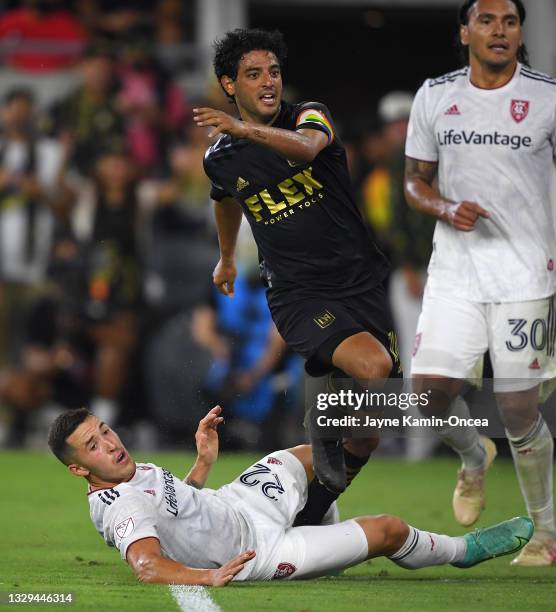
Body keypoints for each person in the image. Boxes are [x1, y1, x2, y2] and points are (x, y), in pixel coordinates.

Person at [195, 28, 400, 519]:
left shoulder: (310, 115)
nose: (268, 82)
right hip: (299, 293)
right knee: (374, 366)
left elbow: (307, 149)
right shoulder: (219, 158)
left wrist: (242, 129)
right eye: (253, 74)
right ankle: (320, 414)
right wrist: (226, 256)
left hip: (362, 282)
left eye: (274, 72)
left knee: (370, 432)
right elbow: (226, 199)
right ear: (229, 84)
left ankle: (310, 517)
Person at [47, 405, 533, 585]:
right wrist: (210, 577)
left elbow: (175, 512)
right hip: (258, 551)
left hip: (239, 502)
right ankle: (462, 552)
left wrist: (202, 465)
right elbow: (147, 563)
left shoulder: (131, 472)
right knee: (388, 529)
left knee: (309, 453)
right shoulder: (119, 506)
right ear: (77, 468)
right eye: (94, 445)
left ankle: (320, 513)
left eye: (106, 430)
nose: (110, 443)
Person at [404, 0, 556, 566]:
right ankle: (474, 457)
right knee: (428, 396)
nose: (499, 30)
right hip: (456, 274)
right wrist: (443, 206)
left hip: (525, 276)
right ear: (464, 31)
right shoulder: (435, 96)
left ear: (520, 33)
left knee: (518, 409)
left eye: (510, 21)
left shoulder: (547, 97)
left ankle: (545, 535)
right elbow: (414, 183)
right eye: (487, 21)